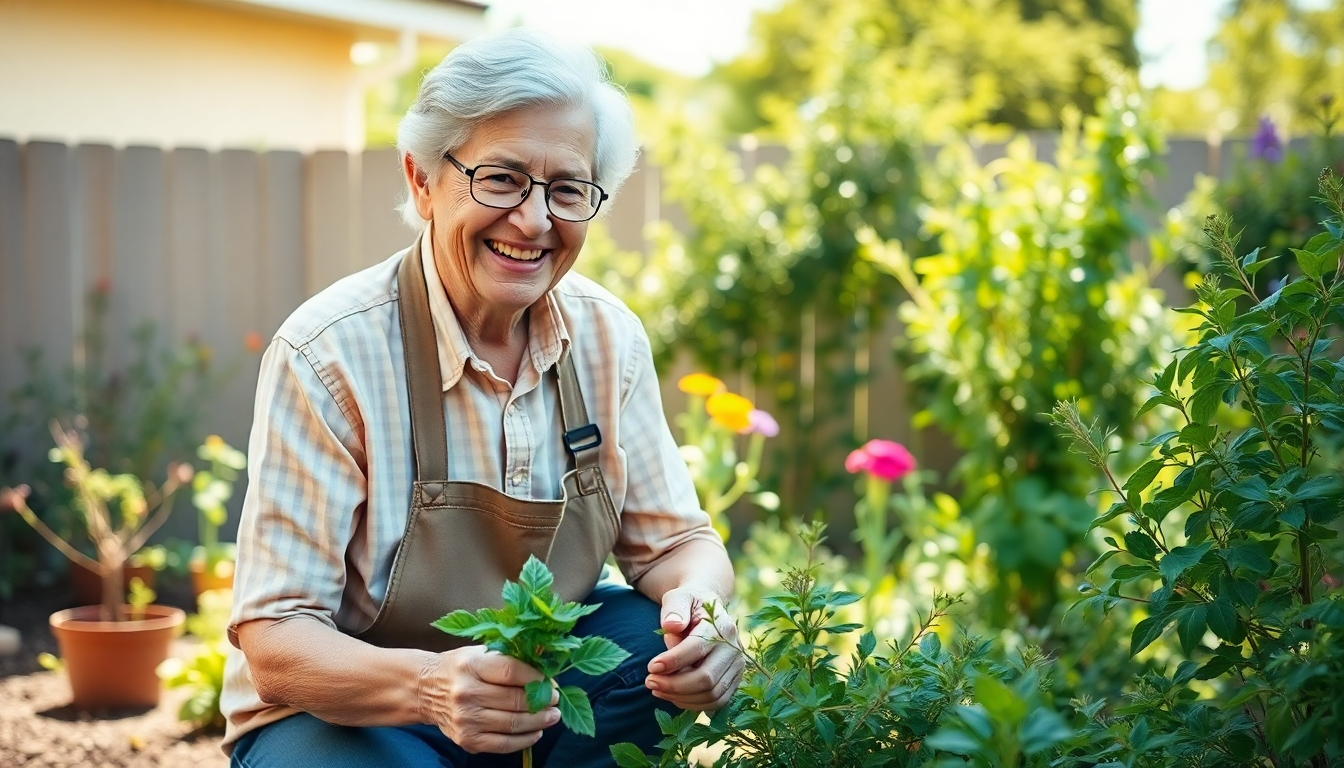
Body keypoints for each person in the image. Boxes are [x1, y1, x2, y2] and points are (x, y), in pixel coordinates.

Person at [220, 28, 742, 767]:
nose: (534, 221)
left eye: (567, 189)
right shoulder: (329, 353)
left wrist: (705, 615)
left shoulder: (607, 339)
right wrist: (432, 687)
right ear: (421, 181)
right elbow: (276, 639)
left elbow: (680, 545)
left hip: (536, 696)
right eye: (501, 178)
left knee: (646, 650)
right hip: (353, 715)